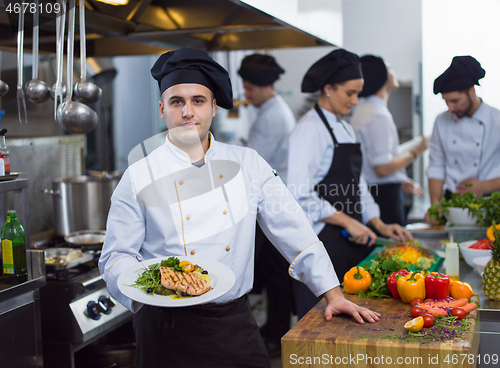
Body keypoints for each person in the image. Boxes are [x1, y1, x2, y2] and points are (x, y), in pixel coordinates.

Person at [98, 47, 381, 368]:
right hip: (165, 327)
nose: (188, 112)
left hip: (231, 322)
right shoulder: (139, 175)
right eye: (177, 102)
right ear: (162, 109)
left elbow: (294, 229)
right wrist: (147, 292)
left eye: (198, 101)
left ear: (214, 108)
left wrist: (332, 293)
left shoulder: (248, 164)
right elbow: (115, 257)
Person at [287, 49, 413, 318]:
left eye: (358, 93)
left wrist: (377, 222)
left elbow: (358, 184)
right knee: (319, 327)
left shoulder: (345, 127)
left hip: (349, 243)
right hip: (320, 243)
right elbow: (299, 195)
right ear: (328, 88)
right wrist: (346, 220)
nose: (355, 102)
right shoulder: (308, 130)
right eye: (350, 93)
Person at [238, 54, 296, 358]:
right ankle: (276, 330)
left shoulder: (271, 116)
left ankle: (276, 334)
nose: (246, 94)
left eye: (249, 88)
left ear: (262, 87)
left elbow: (250, 165)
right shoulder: (274, 111)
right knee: (275, 273)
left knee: (275, 274)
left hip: (272, 205)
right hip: (274, 201)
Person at [351, 55, 428, 225]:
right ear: (382, 76)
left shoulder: (364, 110)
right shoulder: (378, 115)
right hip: (383, 198)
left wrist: (399, 180)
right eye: (390, 68)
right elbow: (382, 168)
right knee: (392, 248)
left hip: (375, 191)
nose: (394, 73)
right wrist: (416, 153)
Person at [425, 55, 500, 223]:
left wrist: (484, 187)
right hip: (453, 203)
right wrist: (435, 205)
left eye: (455, 101)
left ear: (471, 91)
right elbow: (436, 165)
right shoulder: (441, 121)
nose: (450, 108)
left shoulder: (497, 120)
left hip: (492, 202)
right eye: (446, 102)